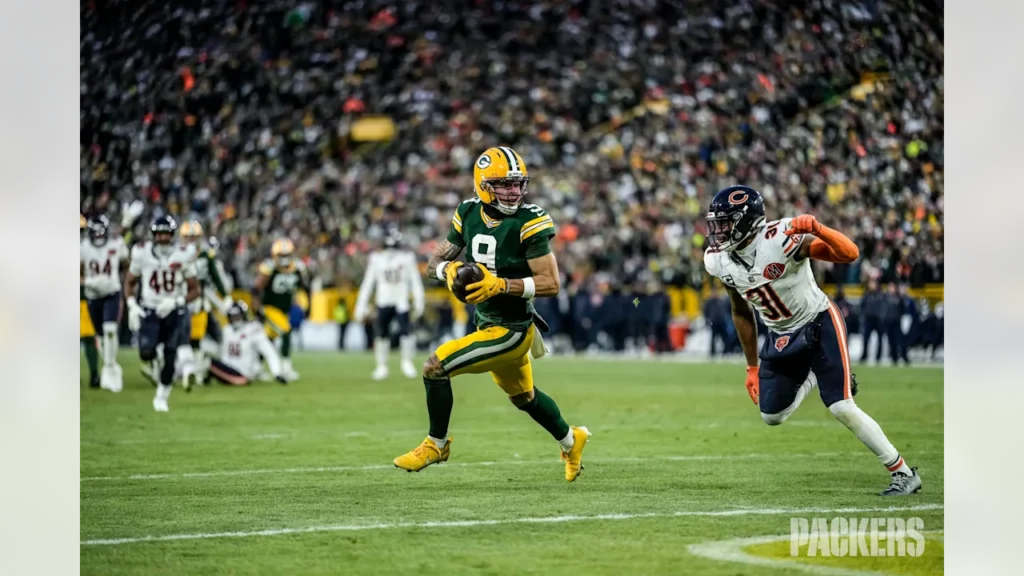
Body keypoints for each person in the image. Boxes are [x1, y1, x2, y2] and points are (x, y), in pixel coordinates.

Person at [703, 185, 921, 496]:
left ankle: (903, 473)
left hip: (819, 322)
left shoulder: (780, 237)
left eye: (725, 223)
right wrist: (751, 367)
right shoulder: (718, 260)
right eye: (717, 224)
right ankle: (814, 374)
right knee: (771, 415)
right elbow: (740, 311)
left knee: (841, 406)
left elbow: (850, 254)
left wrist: (818, 229)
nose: (719, 232)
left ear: (746, 221)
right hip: (780, 334)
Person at [392, 146, 590, 481]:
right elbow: (433, 264)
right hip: (486, 323)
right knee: (524, 398)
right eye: (504, 184)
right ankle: (572, 440)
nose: (513, 191)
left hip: (511, 330)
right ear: (483, 185)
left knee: (435, 367)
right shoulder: (468, 212)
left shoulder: (529, 221)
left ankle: (436, 444)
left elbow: (551, 283)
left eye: (517, 183)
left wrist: (500, 285)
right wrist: (449, 271)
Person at [124, 215, 200, 412]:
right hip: (150, 308)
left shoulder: (182, 254)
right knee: (146, 352)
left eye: (167, 234)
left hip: (174, 310)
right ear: (153, 235)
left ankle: (161, 397)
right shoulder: (142, 253)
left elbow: (195, 289)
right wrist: (132, 305)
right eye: (160, 234)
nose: (163, 238)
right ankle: (156, 361)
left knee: (170, 355)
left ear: (173, 235)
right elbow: (130, 282)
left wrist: (176, 301)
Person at [354, 227, 426, 380]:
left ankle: (407, 363)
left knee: (406, 332)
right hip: (384, 300)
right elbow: (368, 283)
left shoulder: (406, 258)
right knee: (381, 334)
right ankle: (382, 366)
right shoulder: (376, 259)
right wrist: (360, 305)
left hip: (401, 300)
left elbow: (415, 281)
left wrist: (419, 300)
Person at [178, 220, 232, 389]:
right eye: (188, 237)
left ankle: (197, 372)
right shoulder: (175, 254)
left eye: (194, 237)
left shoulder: (205, 254)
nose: (191, 240)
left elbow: (214, 277)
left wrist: (225, 296)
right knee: (173, 339)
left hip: (199, 301)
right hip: (178, 300)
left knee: (196, 339)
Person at [80, 214, 130, 392]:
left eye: (101, 232)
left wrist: (118, 281)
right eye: (95, 232)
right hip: (93, 296)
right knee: (100, 336)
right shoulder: (83, 247)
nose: (99, 236)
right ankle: (111, 365)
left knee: (110, 330)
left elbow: (127, 266)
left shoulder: (116, 244)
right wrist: (89, 282)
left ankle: (110, 368)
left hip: (111, 293)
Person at [252, 238, 307, 382]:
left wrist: (302, 302)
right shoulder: (269, 268)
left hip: (284, 310)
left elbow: (301, 288)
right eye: (281, 255)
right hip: (270, 308)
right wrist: (257, 308)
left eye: (286, 255)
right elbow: (256, 289)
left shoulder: (298, 268)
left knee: (268, 340)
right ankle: (286, 368)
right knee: (286, 331)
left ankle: (256, 368)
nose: (284, 259)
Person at [206, 301, 287, 386]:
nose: (236, 319)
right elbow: (219, 351)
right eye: (233, 317)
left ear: (244, 315)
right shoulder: (227, 330)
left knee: (205, 361)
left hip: (242, 374)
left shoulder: (253, 329)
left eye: (238, 316)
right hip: (227, 370)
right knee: (204, 357)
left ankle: (204, 378)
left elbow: (269, 352)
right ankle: (206, 378)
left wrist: (277, 373)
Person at [859, 279, 885, 363]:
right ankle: (864, 355)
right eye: (870, 284)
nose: (872, 285)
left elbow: (884, 306)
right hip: (868, 319)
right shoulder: (866, 295)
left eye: (873, 284)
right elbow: (862, 306)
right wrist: (864, 315)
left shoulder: (881, 295)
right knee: (866, 338)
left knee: (880, 338)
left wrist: (881, 316)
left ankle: (878, 357)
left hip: (878, 320)